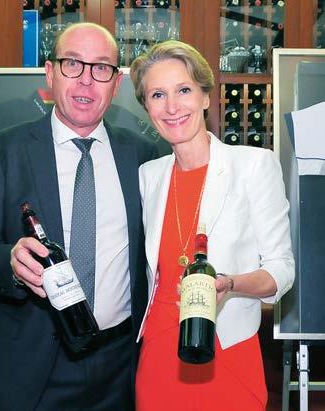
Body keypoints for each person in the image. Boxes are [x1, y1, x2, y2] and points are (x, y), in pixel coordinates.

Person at [0, 22, 157, 411]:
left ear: (116, 83)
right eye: (73, 64)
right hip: (33, 366)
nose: (86, 80)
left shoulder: (144, 156)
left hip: (120, 367)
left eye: (101, 68)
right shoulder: (3, 151)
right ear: (50, 73)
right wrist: (10, 262)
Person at [129, 40, 295, 411]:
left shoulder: (253, 166)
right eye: (158, 95)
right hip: (158, 356)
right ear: (147, 107)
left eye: (183, 90)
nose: (172, 107)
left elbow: (281, 271)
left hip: (227, 351)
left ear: (206, 97)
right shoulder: (148, 176)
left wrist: (230, 284)